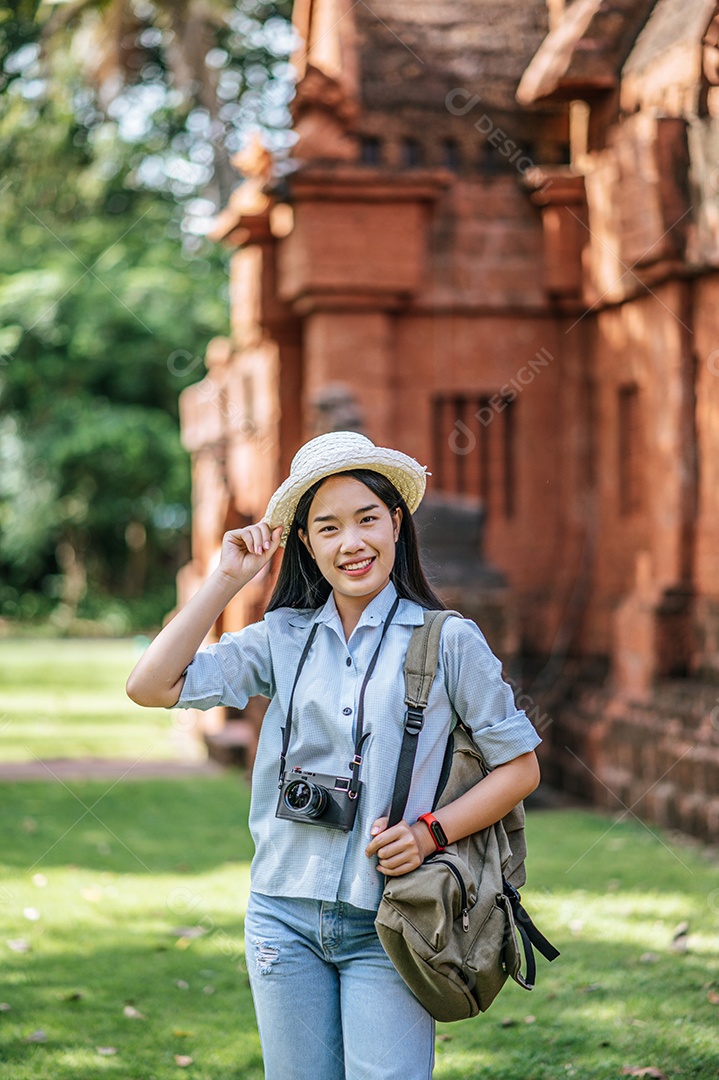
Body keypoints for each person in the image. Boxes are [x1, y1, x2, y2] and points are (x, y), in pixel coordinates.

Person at [126, 430, 541, 1080]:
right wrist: (225, 579)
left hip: (393, 918)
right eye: (328, 527)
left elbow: (520, 767)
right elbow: (149, 686)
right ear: (305, 542)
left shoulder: (448, 640)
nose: (352, 543)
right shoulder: (280, 638)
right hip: (280, 915)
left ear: (396, 524)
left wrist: (431, 832)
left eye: (367, 519)